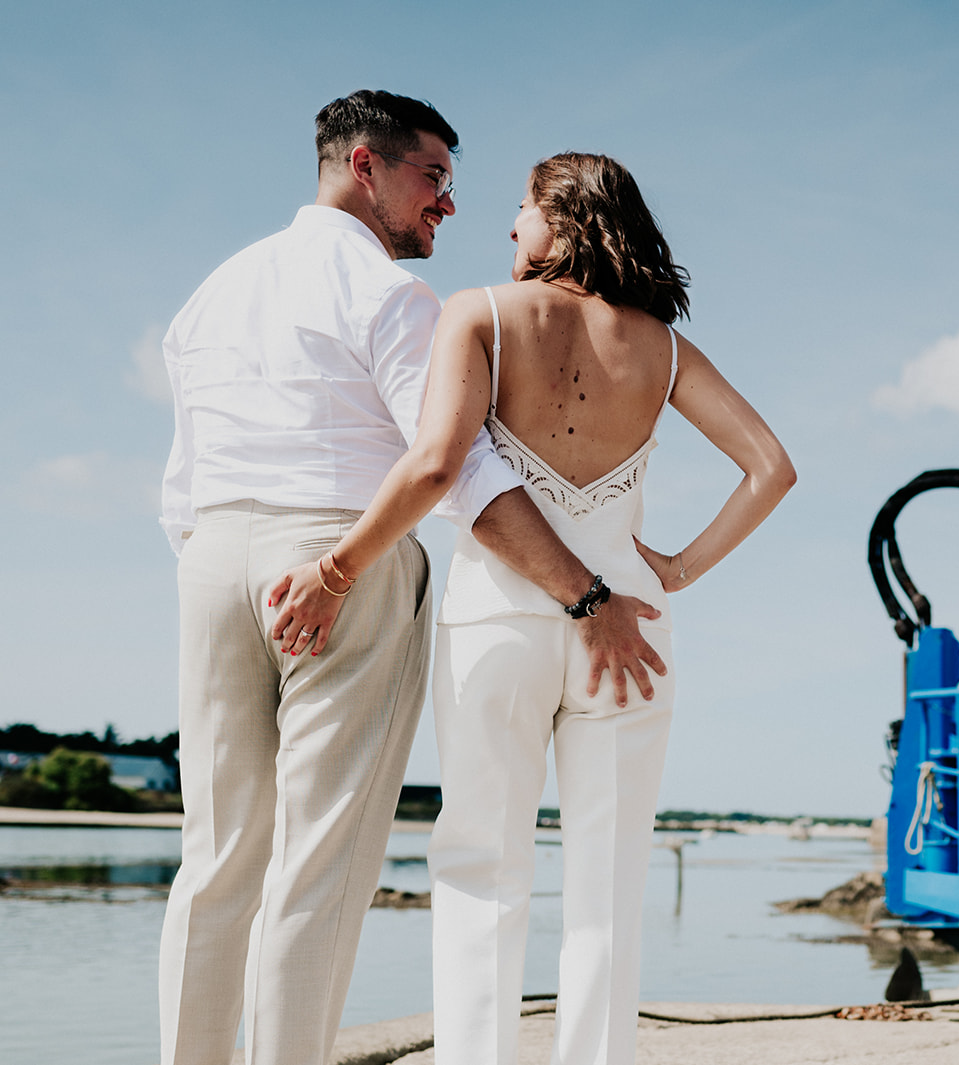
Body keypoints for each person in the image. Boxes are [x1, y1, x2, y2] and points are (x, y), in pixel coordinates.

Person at [156, 93, 663, 1065]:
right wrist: (586, 596)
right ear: (365, 165)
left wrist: (213, 557)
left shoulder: (215, 290)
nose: (449, 204)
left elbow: (179, 475)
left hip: (212, 558)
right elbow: (456, 469)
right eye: (432, 176)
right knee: (320, 860)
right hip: (345, 557)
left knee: (214, 857)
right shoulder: (391, 297)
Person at [419, 153, 794, 1065]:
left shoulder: (478, 313)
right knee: (612, 882)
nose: (509, 225)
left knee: (481, 866)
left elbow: (441, 465)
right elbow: (771, 468)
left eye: (521, 207)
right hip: (633, 624)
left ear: (561, 217)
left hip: (497, 620)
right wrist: (678, 568)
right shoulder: (663, 348)